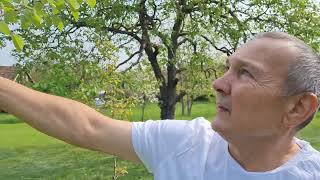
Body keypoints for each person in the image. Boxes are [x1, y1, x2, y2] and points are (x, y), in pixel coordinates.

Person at [1, 32, 320, 179]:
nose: (219, 83)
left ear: (297, 108)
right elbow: (88, 128)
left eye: (245, 73)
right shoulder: (187, 143)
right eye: (228, 68)